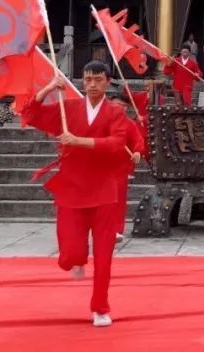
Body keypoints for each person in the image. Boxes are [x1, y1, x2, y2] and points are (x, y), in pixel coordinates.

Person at [19, 61, 130, 328]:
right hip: (72, 189)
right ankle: (77, 260)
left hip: (104, 191)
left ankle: (100, 307)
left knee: (104, 256)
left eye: (98, 79)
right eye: (87, 79)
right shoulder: (68, 109)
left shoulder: (115, 113)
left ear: (107, 82)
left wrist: (79, 141)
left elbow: (117, 144)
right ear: (82, 81)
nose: (92, 84)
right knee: (69, 255)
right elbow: (31, 115)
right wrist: (48, 89)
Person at [115, 95, 146, 243]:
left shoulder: (129, 124)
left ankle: (116, 229)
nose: (118, 108)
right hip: (99, 166)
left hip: (120, 167)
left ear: (126, 108)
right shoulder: (100, 122)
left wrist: (137, 151)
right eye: (115, 105)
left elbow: (138, 140)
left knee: (118, 199)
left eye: (122, 105)